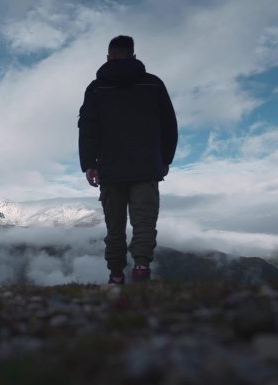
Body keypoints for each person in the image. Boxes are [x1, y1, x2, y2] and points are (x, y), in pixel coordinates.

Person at [78, 35, 178, 284]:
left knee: (115, 227)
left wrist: (89, 163)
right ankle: (142, 268)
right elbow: (169, 125)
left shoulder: (96, 88)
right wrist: (165, 159)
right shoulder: (153, 85)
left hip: (111, 168)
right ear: (133, 55)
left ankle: (115, 276)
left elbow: (88, 127)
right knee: (144, 221)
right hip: (146, 166)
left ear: (108, 57)